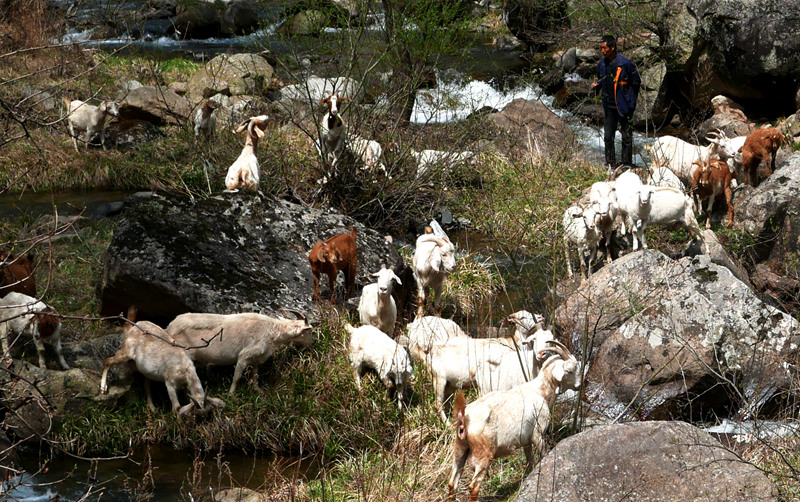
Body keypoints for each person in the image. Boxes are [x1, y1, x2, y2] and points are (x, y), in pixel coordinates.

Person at [591, 35, 641, 170]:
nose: (602, 51)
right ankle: (610, 164)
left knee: (626, 136)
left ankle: (626, 164)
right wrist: (597, 86)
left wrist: (631, 101)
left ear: (612, 48)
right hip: (609, 106)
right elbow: (603, 79)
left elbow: (636, 82)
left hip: (624, 106)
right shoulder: (601, 64)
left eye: (604, 48)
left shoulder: (625, 64)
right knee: (608, 136)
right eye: (600, 48)